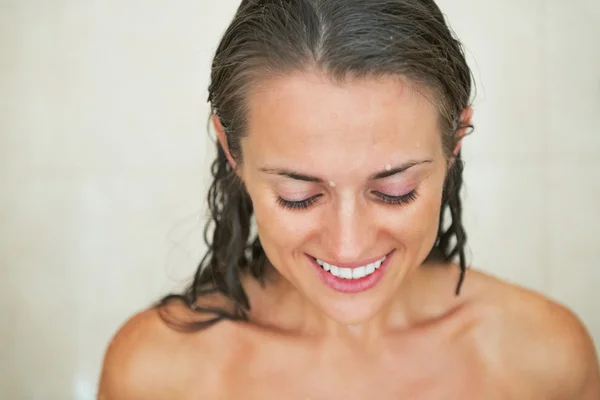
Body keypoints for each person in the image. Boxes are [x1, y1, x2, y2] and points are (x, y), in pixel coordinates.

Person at [98, 0, 600, 398]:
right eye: (298, 196)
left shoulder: (545, 358)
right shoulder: (155, 373)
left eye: (393, 192)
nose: (348, 244)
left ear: (455, 142)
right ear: (233, 151)